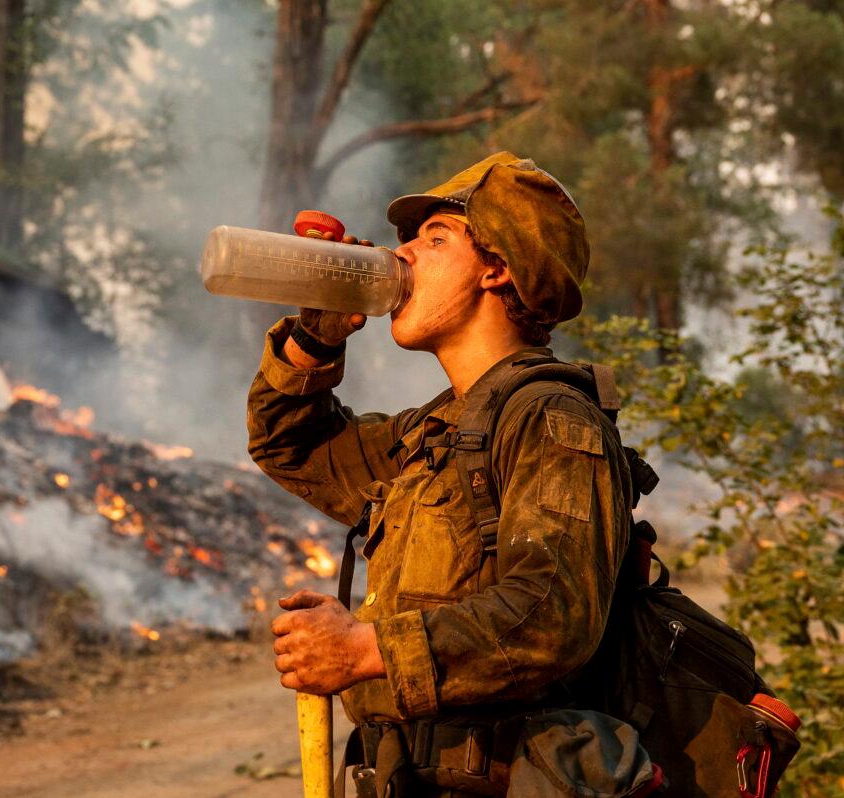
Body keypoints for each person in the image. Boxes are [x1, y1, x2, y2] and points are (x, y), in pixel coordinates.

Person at [246, 152, 644, 797]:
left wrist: (365, 652)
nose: (400, 256)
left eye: (435, 239)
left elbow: (551, 614)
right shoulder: (433, 434)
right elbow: (291, 446)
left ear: (497, 269)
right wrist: (316, 339)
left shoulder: (548, 418)